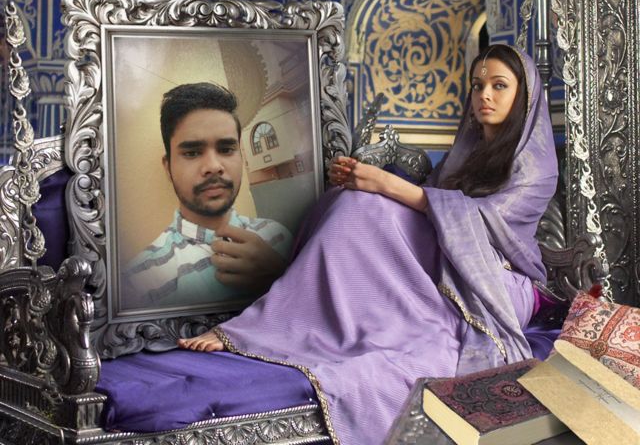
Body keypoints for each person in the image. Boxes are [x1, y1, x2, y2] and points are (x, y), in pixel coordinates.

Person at [177, 45, 558, 444]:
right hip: (447, 260)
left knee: (369, 205)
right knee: (347, 201)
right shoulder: (467, 154)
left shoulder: (536, 166)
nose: (484, 95)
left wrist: (386, 184)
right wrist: (364, 181)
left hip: (496, 283)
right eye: (477, 85)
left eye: (499, 85)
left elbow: (482, 221)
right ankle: (297, 322)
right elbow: (429, 207)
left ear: (524, 95)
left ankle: (271, 325)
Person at [123, 83, 292, 309]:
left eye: (226, 149)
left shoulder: (279, 237)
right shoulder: (139, 282)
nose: (213, 166)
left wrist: (281, 279)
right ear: (168, 167)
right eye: (192, 152)